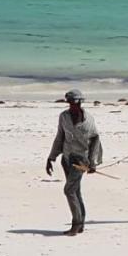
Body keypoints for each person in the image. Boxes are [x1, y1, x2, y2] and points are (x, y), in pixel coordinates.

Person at [45, 89, 102, 236]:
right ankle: (81, 224)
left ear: (80, 102)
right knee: (75, 190)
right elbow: (60, 137)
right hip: (67, 158)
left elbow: (95, 139)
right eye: (69, 102)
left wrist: (93, 162)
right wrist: (51, 157)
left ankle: (76, 225)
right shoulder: (63, 117)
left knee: (68, 190)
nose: (72, 105)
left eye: (75, 102)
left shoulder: (88, 119)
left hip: (81, 160)